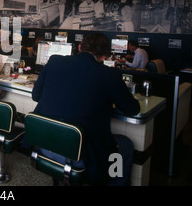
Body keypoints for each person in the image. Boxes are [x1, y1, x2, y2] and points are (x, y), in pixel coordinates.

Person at [31, 32, 140, 185]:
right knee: (125, 145)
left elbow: (36, 96)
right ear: (104, 56)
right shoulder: (110, 74)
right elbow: (132, 109)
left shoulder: (54, 61)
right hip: (82, 153)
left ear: (80, 47)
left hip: (45, 144)